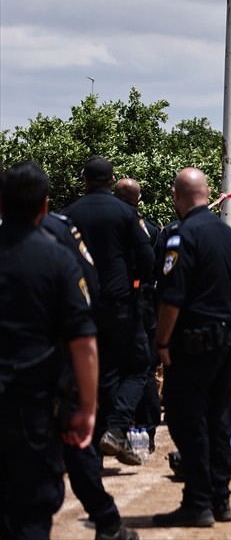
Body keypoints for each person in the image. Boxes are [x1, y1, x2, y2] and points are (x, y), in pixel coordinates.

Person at [0, 162, 100, 540]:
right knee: (31, 514)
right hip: (33, 409)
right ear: (45, 205)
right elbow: (83, 342)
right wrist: (87, 408)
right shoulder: (57, 259)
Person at [40, 210, 138, 540]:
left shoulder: (58, 226)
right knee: (76, 443)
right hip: (53, 359)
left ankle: (106, 519)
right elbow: (89, 286)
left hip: (37, 363)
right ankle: (107, 521)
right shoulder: (59, 230)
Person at [153, 168, 231, 528]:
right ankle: (220, 499)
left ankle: (198, 502)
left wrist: (161, 341)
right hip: (225, 340)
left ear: (177, 195)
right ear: (207, 193)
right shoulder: (225, 232)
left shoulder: (181, 235)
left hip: (193, 344)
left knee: (187, 420)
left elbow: (172, 298)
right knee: (219, 419)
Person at [60, 157, 154, 463]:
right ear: (112, 180)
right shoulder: (126, 212)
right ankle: (116, 427)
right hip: (121, 302)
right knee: (138, 367)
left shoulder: (68, 214)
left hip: (83, 305)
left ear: (84, 180)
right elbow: (146, 256)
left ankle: (101, 445)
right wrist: (136, 283)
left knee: (103, 372)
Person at [113, 178, 163, 454]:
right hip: (144, 304)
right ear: (139, 201)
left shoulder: (107, 228)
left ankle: (114, 428)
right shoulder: (150, 229)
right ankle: (146, 434)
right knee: (144, 369)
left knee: (112, 369)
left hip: (110, 303)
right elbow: (158, 271)